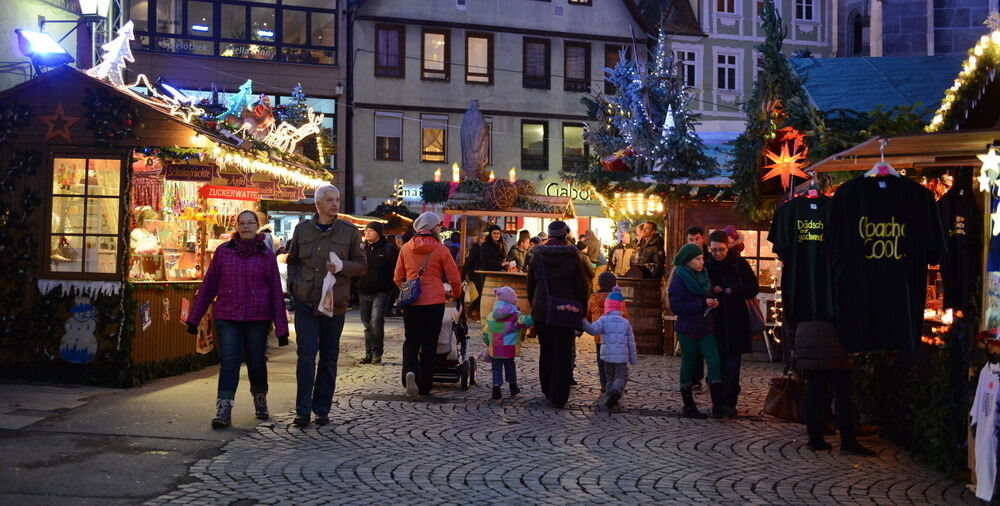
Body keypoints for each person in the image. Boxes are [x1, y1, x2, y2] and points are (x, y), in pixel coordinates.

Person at [186, 210, 289, 428]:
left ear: (257, 226)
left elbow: (275, 294)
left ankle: (259, 397)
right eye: (242, 223)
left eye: (250, 223)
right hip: (227, 315)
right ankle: (224, 408)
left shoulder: (266, 255)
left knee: (256, 361)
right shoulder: (224, 252)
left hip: (257, 317)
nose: (246, 227)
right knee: (229, 361)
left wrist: (281, 328)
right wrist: (194, 318)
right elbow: (208, 286)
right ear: (236, 226)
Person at [286, 185, 367, 427]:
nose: (335, 204)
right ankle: (302, 410)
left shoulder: (349, 232)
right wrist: (294, 284)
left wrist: (342, 266)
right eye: (330, 200)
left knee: (329, 357)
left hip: (335, 303)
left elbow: (362, 266)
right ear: (318, 204)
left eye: (337, 199)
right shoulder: (302, 230)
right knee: (306, 355)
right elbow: (293, 261)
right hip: (306, 301)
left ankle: (322, 408)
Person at [394, 212, 462, 396]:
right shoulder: (441, 249)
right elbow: (454, 277)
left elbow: (397, 277)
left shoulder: (406, 248)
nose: (440, 228)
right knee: (430, 342)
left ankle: (410, 372)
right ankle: (424, 386)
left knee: (411, 341)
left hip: (412, 303)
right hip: (434, 301)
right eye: (439, 226)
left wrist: (406, 288)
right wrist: (456, 294)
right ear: (433, 229)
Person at [526, 220, 590, 409]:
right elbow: (582, 286)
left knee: (546, 349)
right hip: (566, 311)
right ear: (565, 235)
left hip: (542, 310)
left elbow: (530, 286)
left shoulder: (537, 256)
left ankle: (547, 389)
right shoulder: (573, 257)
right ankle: (559, 396)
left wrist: (535, 305)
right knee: (563, 352)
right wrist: (582, 311)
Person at [794, 321, 876, 456]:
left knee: (815, 389)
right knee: (843, 391)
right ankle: (848, 441)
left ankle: (815, 439)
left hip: (805, 336)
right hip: (831, 339)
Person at [704, 230, 759, 417]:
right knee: (715, 365)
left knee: (732, 366)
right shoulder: (706, 265)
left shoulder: (739, 264)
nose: (717, 254)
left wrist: (731, 290)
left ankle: (729, 403)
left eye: (721, 250)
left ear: (728, 247)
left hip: (735, 323)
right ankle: (717, 404)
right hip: (714, 324)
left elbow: (753, 287)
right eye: (714, 250)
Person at [667, 243, 723, 419]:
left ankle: (717, 407)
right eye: (697, 259)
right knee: (689, 364)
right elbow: (676, 306)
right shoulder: (679, 278)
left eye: (702, 258)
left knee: (714, 363)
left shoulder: (704, 275)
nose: (701, 262)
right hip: (688, 328)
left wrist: (712, 302)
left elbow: (706, 296)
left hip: (706, 327)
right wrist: (701, 304)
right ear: (687, 261)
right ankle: (689, 406)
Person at [581, 286, 636, 410]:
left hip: (607, 355)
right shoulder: (625, 322)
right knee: (621, 376)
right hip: (621, 357)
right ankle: (615, 392)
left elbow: (592, 330)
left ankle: (609, 395)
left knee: (610, 376)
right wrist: (632, 358)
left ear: (607, 306)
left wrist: (583, 321)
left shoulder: (603, 320)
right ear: (621, 307)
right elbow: (631, 342)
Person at [357, 222, 398, 365]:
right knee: (367, 324)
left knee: (376, 322)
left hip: (381, 291)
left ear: (378, 233)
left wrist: (392, 289)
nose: (367, 233)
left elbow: (395, 271)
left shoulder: (388, 249)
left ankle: (377, 353)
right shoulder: (361, 249)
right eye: (366, 230)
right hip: (363, 290)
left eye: (370, 230)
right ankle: (368, 353)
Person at [483, 286, 533, 399]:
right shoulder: (515, 315)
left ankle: (496, 389)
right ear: (513, 300)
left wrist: (487, 343)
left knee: (496, 368)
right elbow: (525, 321)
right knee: (510, 365)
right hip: (509, 348)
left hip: (495, 348)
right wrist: (534, 318)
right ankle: (513, 387)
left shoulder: (491, 316)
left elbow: (486, 332)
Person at [588, 271, 630, 393]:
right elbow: (625, 316)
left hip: (598, 337)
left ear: (599, 284)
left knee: (601, 361)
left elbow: (588, 316)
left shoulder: (593, 298)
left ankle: (603, 384)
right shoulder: (617, 299)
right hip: (615, 336)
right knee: (614, 361)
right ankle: (614, 384)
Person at [685, 225, 709, 394]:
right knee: (694, 349)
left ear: (703, 239)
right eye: (690, 240)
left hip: (710, 307)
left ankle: (713, 379)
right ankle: (694, 380)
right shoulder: (684, 257)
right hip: (693, 308)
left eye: (697, 239)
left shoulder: (709, 257)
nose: (693, 242)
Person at [464, 225, 506, 314]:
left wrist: (505, 265)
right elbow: (485, 262)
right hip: (486, 274)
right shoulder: (485, 246)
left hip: (498, 274)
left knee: (493, 296)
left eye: (498, 233)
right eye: (494, 233)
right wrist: (501, 264)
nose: (496, 235)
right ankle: (473, 311)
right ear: (490, 234)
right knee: (485, 294)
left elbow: (502, 259)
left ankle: (482, 312)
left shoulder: (501, 245)